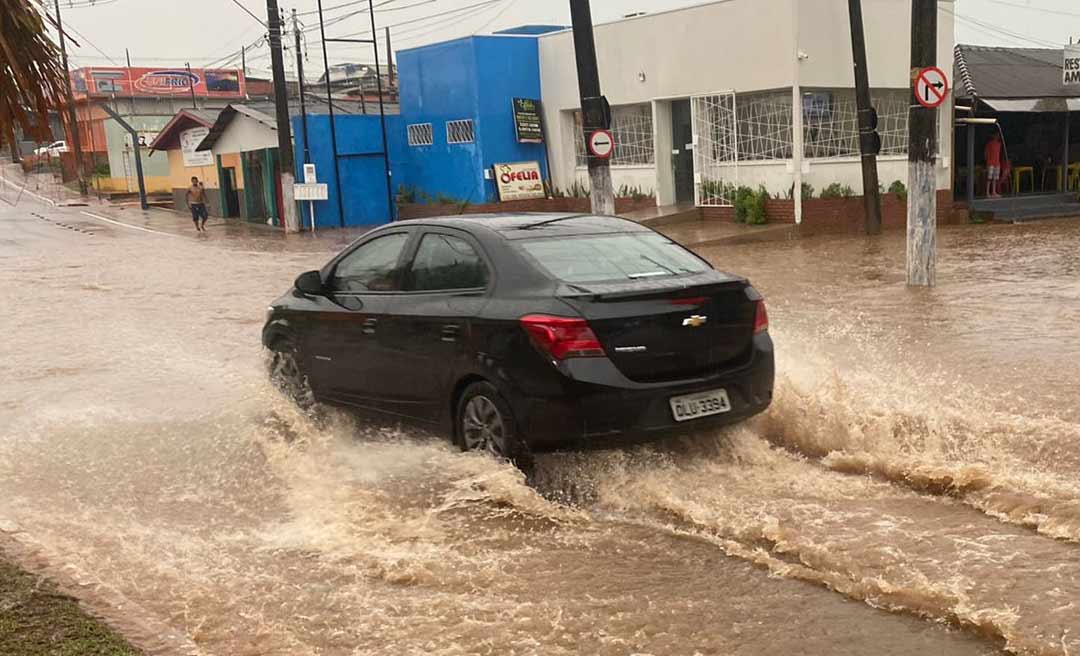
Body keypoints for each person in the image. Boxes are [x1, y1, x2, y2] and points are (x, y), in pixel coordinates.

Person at [985, 132, 1003, 198]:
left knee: (995, 178)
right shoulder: (989, 144)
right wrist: (987, 162)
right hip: (990, 162)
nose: (997, 136)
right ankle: (987, 192)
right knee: (989, 178)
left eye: (998, 135)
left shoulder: (999, 144)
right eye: (996, 135)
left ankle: (994, 192)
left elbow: (999, 154)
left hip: (997, 163)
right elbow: (986, 153)